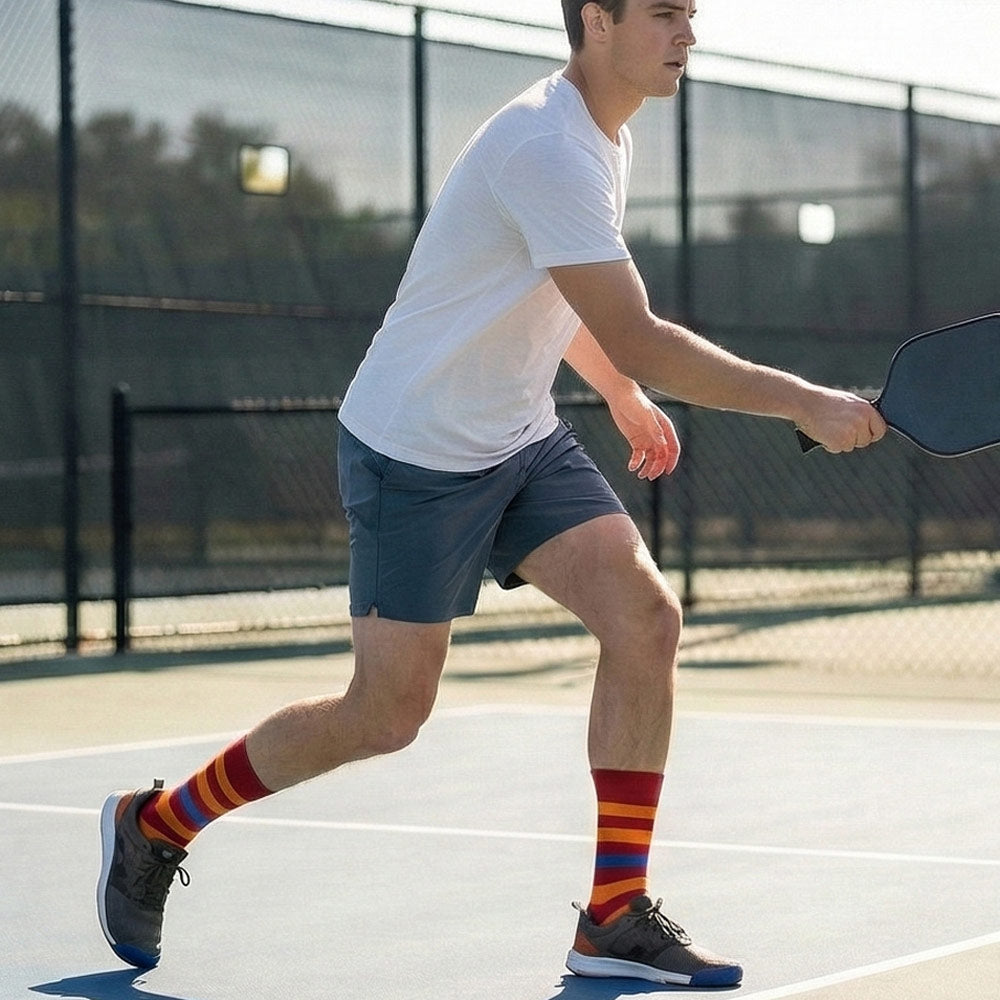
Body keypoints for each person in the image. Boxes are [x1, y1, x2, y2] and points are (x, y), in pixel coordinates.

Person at [97, 0, 886, 988]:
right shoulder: (543, 146)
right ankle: (156, 822)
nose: (688, 33)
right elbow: (636, 325)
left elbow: (567, 294)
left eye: (690, 13)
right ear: (595, 18)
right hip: (413, 451)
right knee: (384, 713)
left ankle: (611, 914)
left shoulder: (601, 137)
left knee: (646, 618)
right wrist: (803, 401)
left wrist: (616, 391)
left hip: (518, 439)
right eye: (663, 14)